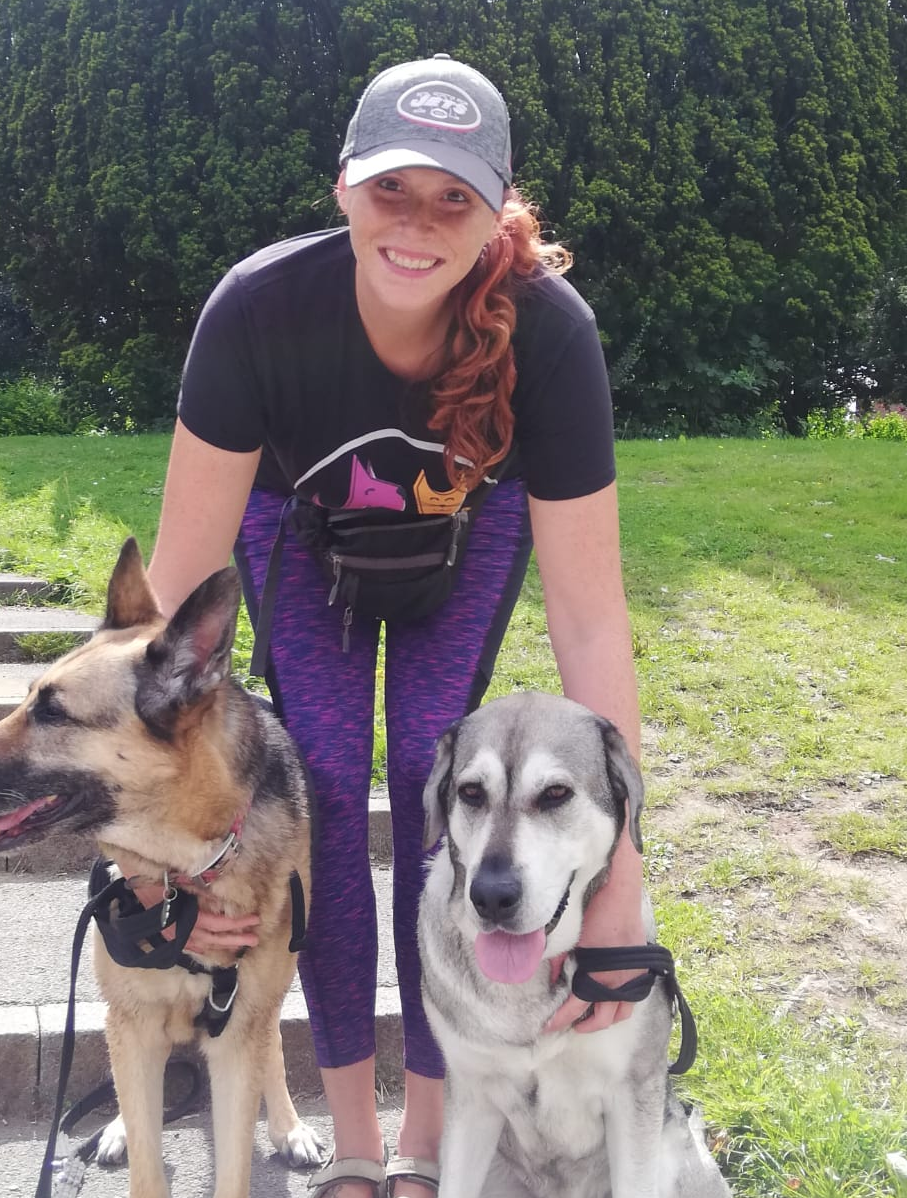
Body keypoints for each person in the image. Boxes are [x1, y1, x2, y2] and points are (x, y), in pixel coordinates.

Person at [146, 54, 644, 1198]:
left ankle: (422, 1138)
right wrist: (153, 833)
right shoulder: (259, 309)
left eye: (452, 199)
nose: (416, 225)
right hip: (295, 531)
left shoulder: (550, 335)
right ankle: (352, 1139)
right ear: (343, 188)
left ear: (495, 212)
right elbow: (175, 596)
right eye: (391, 192)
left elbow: (591, 618)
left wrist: (618, 873)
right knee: (314, 785)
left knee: (444, 793)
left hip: (464, 545)